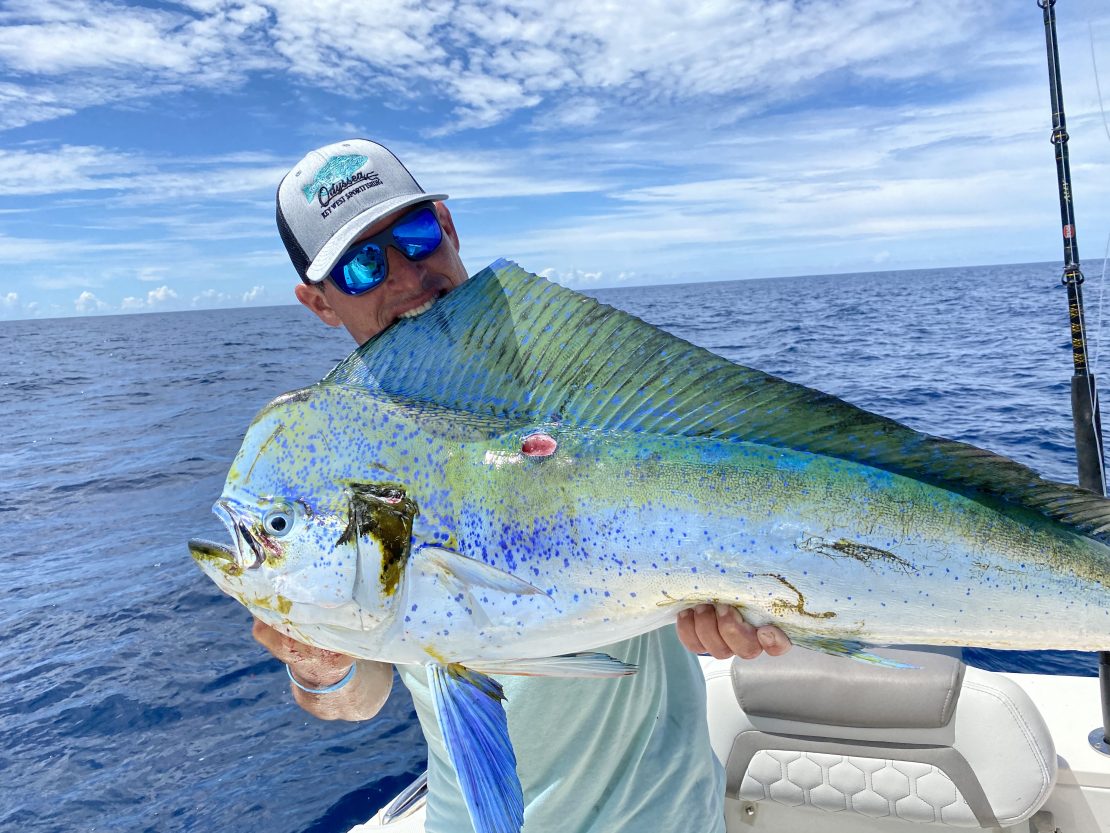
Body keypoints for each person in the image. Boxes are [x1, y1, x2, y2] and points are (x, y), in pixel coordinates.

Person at [255, 138, 792, 832]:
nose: (405, 276)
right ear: (319, 304)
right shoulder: (336, 465)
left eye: (415, 235)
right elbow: (363, 693)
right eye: (362, 265)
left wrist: (737, 612)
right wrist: (319, 666)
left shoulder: (593, 384)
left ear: (447, 225)